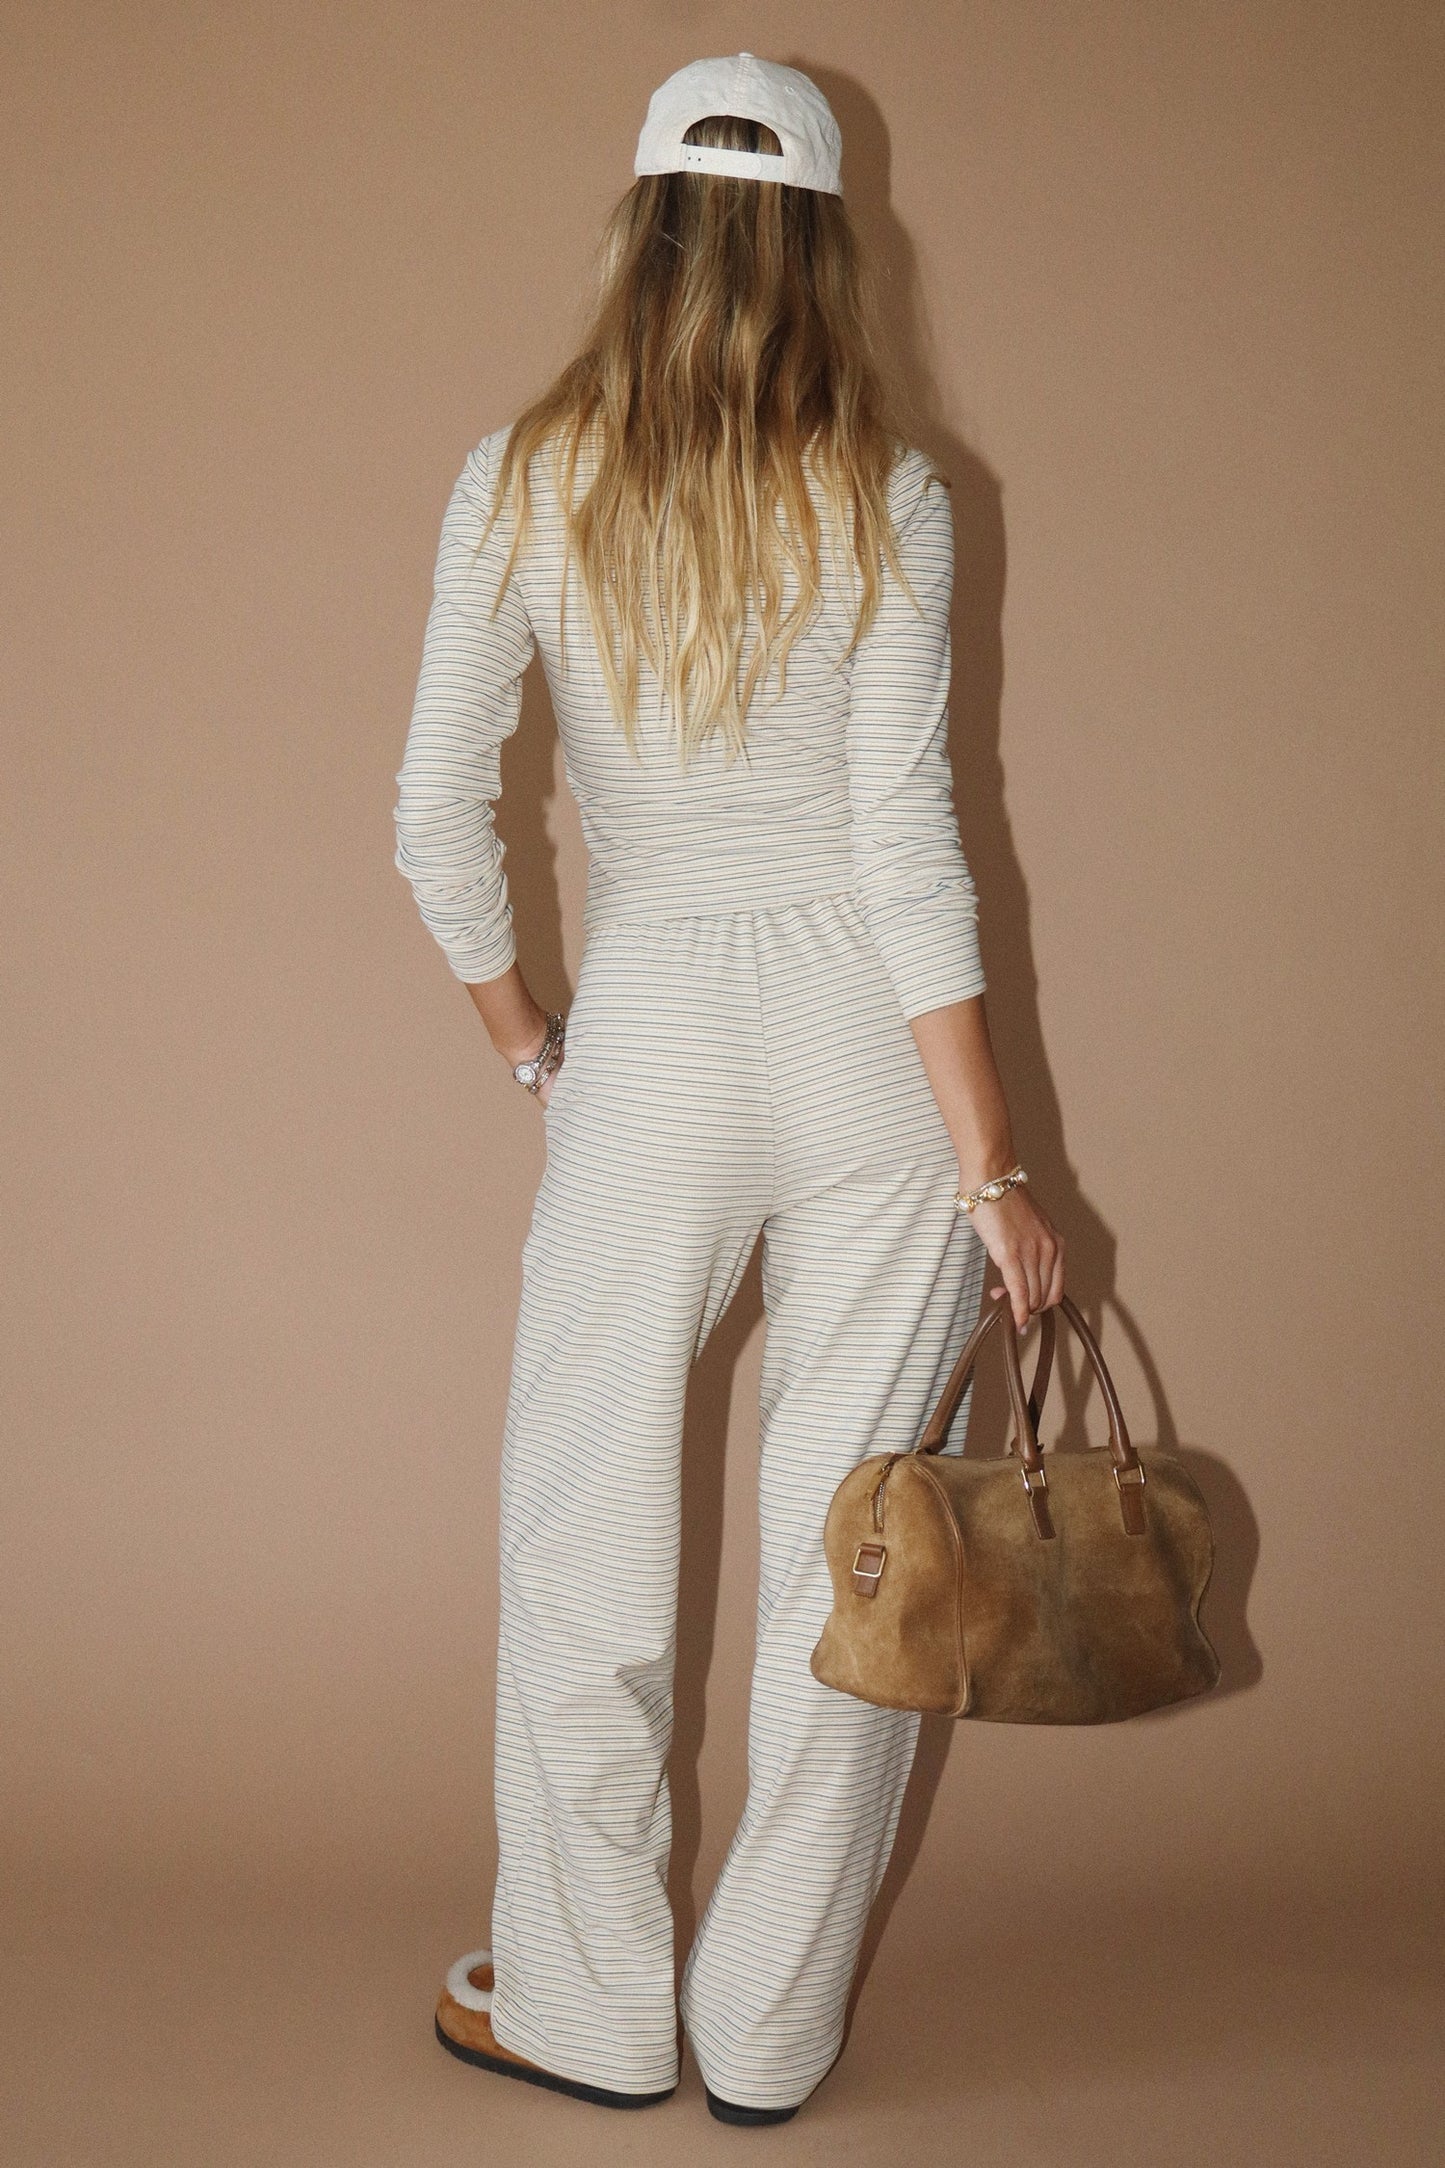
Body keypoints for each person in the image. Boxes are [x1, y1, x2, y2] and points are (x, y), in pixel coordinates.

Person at [393, 52, 1065, 2127]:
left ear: (641, 228)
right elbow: (911, 849)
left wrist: (535, 1045)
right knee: (852, 1560)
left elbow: (434, 823)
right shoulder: (898, 493)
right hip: (873, 1061)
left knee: (580, 1547)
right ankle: (765, 2034)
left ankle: (592, 2009)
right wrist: (993, 1170)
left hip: (657, 1046)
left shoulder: (520, 476)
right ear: (827, 248)